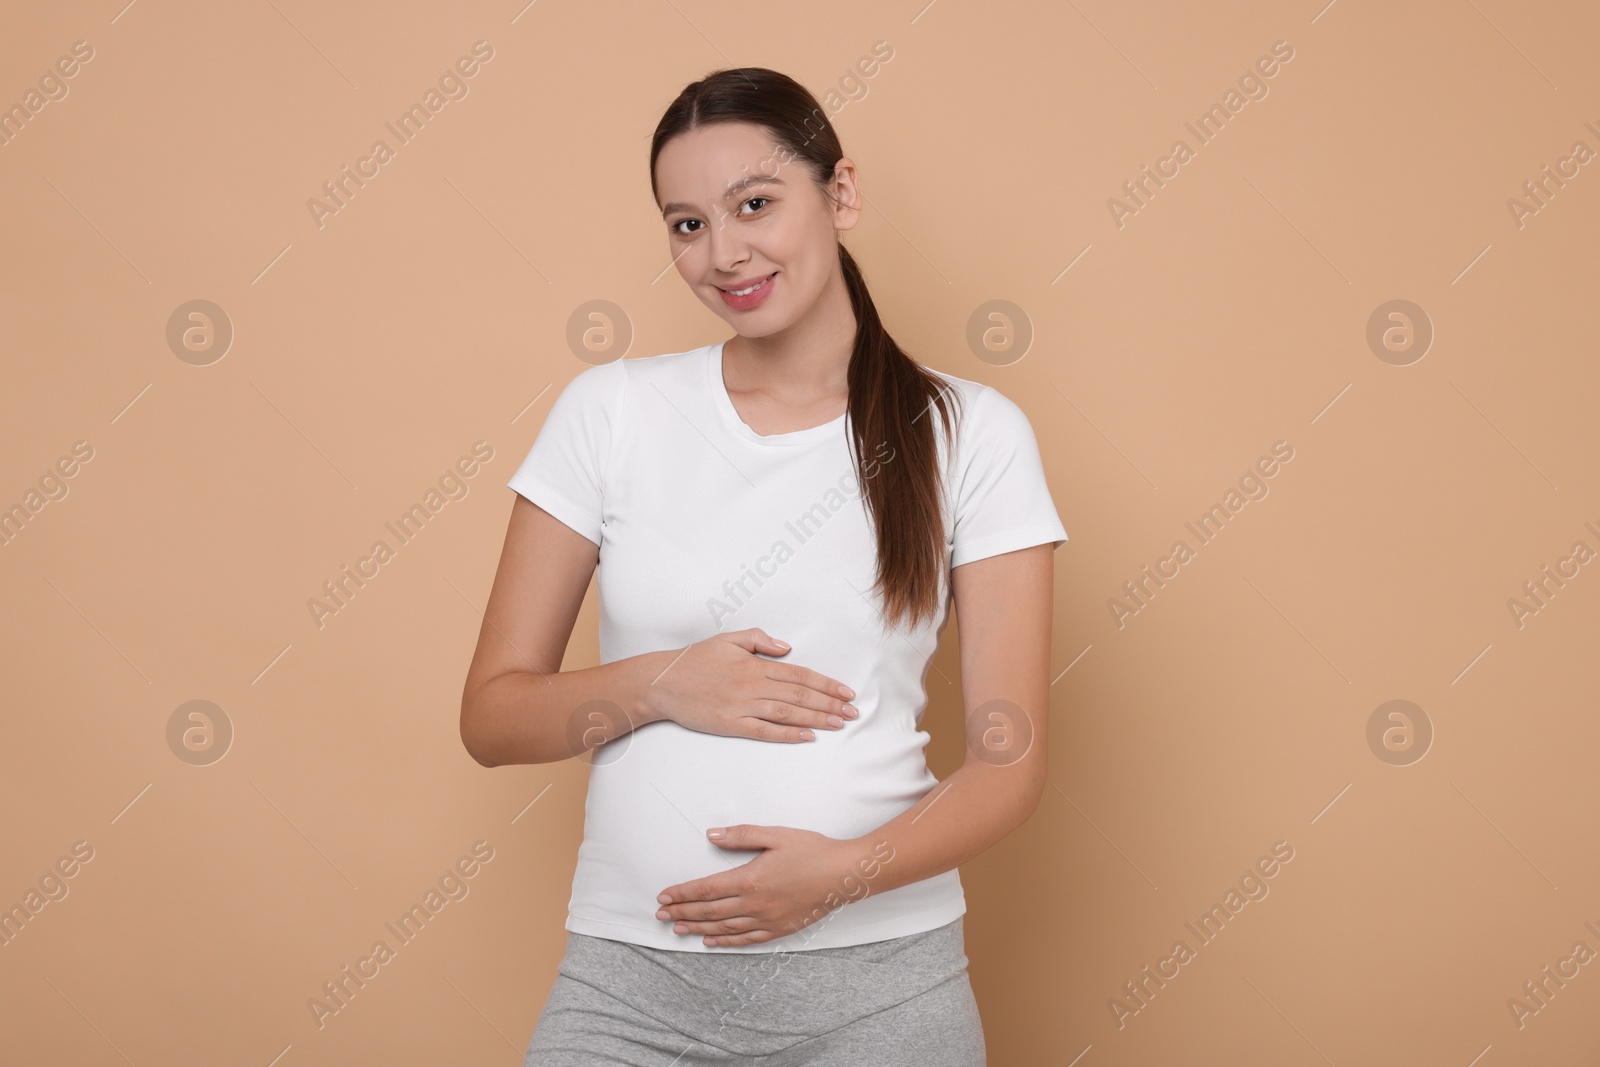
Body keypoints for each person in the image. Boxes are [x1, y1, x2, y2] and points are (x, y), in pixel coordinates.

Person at [459, 66, 1067, 1066]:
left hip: (883, 998)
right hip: (630, 990)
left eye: (754, 204)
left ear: (840, 195)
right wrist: (661, 684)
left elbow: (1008, 759)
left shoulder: (972, 435)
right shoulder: (609, 414)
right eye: (686, 223)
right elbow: (491, 715)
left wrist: (841, 873)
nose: (723, 251)